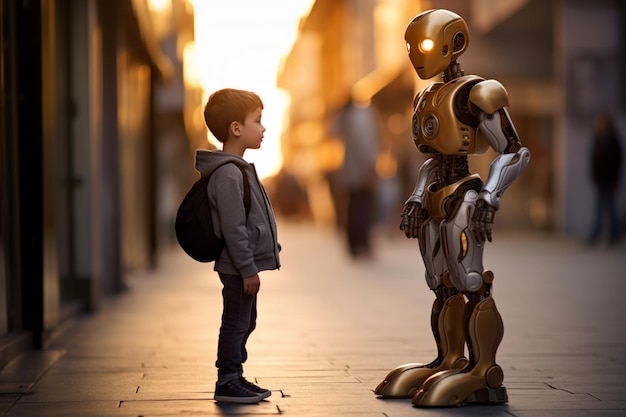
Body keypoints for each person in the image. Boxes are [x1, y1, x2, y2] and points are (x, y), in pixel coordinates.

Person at [195, 88, 281, 404]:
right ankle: (227, 379)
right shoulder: (229, 174)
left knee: (246, 321)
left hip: (241, 267)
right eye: (257, 121)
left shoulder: (237, 168)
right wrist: (247, 269)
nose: (263, 128)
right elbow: (234, 230)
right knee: (235, 322)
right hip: (236, 268)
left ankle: (236, 375)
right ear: (236, 128)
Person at [335, 99, 380, 259]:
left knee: (354, 207)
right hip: (361, 173)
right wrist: (369, 169)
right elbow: (365, 145)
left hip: (351, 173)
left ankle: (355, 245)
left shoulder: (348, 118)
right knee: (363, 208)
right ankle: (362, 244)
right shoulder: (362, 117)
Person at [588, 111, 623, 245]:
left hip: (609, 180)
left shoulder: (613, 140)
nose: (598, 125)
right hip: (600, 180)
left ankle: (614, 236)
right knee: (599, 209)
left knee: (611, 209)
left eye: (601, 123)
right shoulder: (599, 139)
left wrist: (615, 179)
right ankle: (595, 236)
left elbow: (617, 161)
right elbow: (595, 160)